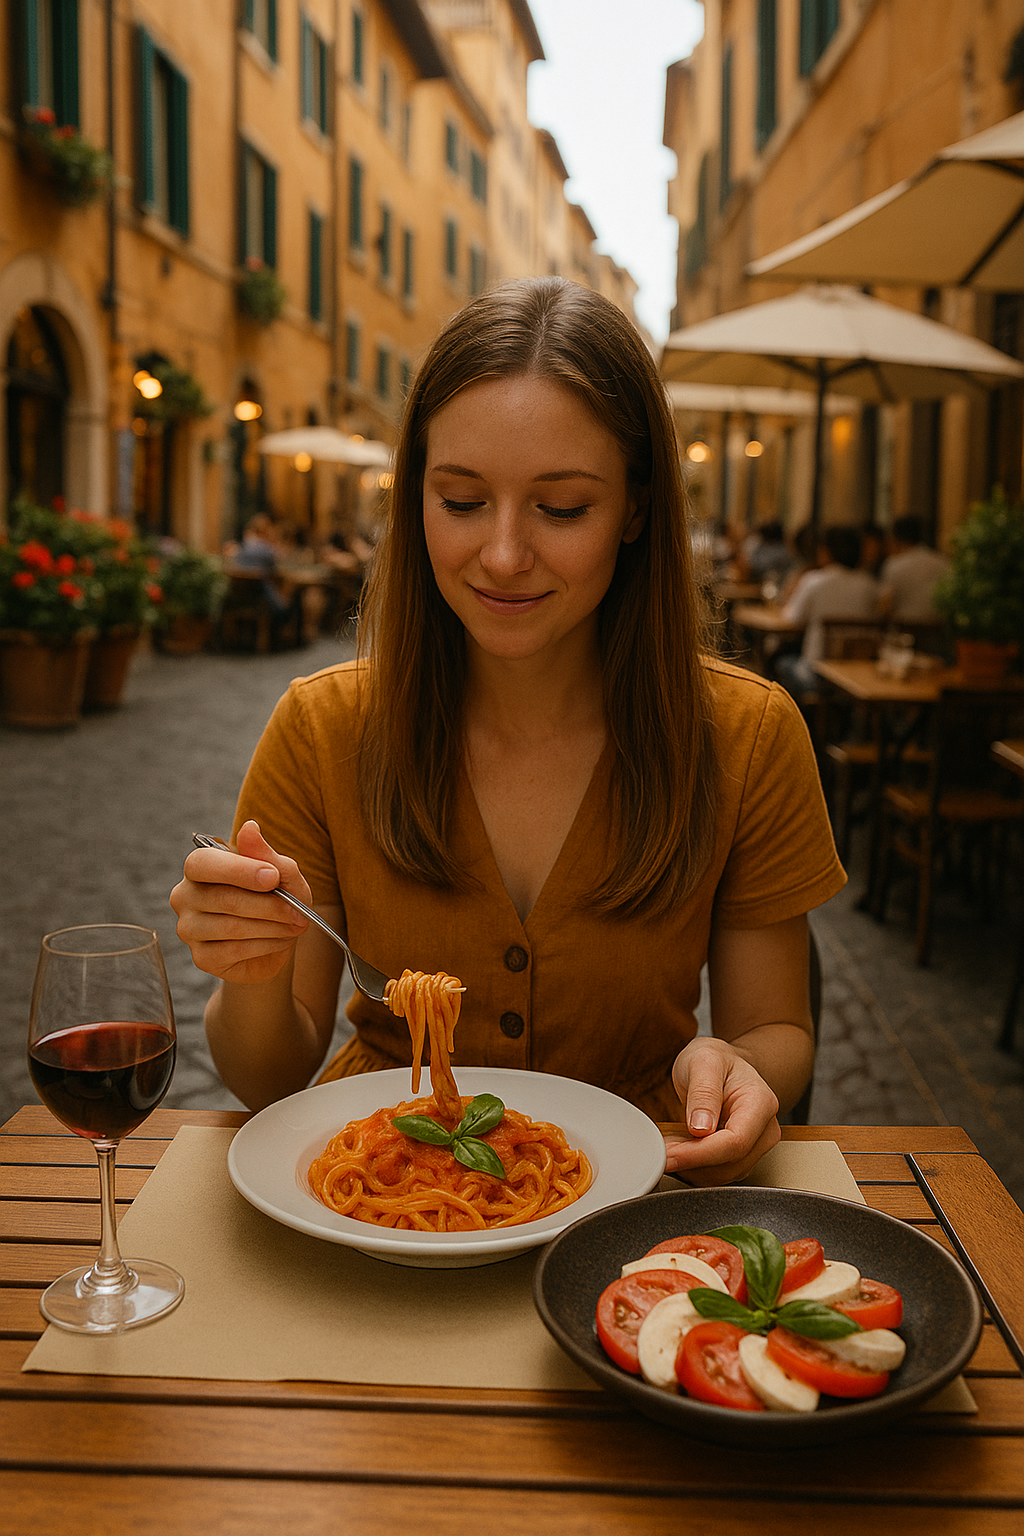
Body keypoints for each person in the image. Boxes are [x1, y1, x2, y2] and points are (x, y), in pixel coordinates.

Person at [171, 278, 845, 1186]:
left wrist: (739, 1068)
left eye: (561, 509)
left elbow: (781, 1027)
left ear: (638, 508)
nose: (501, 555)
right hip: (377, 1195)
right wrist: (247, 965)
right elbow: (267, 1078)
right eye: (460, 501)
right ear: (414, 500)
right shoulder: (321, 729)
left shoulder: (750, 736)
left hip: (639, 1189)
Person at [775, 525, 880, 695]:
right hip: (857, 673)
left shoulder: (815, 581)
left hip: (817, 671)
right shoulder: (871, 585)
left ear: (827, 551)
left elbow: (793, 618)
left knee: (783, 662)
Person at [878, 515, 950, 623]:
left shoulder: (894, 564)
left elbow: (884, 606)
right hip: (936, 630)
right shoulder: (942, 561)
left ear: (895, 539)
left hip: (903, 631)